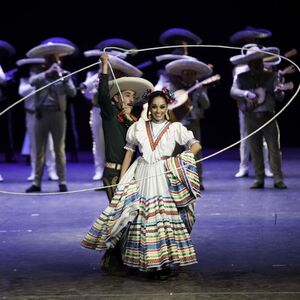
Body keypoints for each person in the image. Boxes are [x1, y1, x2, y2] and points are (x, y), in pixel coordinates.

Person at [81, 87, 201, 279]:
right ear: (149, 107)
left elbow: (195, 144)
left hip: (163, 174)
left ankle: (163, 264)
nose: (158, 111)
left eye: (162, 107)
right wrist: (122, 181)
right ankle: (148, 265)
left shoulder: (174, 128)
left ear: (167, 106)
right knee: (143, 218)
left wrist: (183, 159)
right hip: (143, 173)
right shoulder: (138, 127)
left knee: (163, 220)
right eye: (154, 107)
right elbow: (129, 151)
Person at [80, 38, 139, 181]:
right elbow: (86, 93)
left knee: (118, 141)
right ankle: (99, 169)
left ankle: (123, 169)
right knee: (99, 140)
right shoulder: (92, 75)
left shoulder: (122, 75)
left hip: (116, 112)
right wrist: (100, 73)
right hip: (97, 111)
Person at [230, 46, 287, 189]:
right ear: (249, 63)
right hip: (251, 117)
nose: (257, 64)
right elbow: (233, 91)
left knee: (274, 148)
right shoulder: (242, 77)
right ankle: (259, 178)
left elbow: (280, 97)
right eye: (254, 62)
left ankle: (278, 179)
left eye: (259, 61)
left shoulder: (271, 76)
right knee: (255, 149)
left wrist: (280, 91)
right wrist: (246, 94)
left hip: (268, 116)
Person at [25, 41, 77, 193]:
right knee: (39, 149)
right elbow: (31, 82)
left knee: (59, 149)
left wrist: (64, 78)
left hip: (58, 115)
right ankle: (36, 182)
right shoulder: (40, 74)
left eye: (55, 60)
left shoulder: (65, 74)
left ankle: (62, 181)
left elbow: (72, 93)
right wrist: (47, 74)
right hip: (41, 115)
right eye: (50, 60)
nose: (54, 63)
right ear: (46, 62)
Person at [229, 27, 274, 178]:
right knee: (244, 136)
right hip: (245, 107)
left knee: (265, 139)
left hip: (263, 107)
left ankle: (267, 167)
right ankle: (244, 167)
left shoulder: (266, 68)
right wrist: (246, 94)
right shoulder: (239, 70)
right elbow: (235, 89)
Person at [164, 57, 213, 190]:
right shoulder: (173, 86)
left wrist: (201, 93)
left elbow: (206, 105)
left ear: (196, 75)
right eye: (186, 74)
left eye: (192, 74)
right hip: (176, 123)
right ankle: (175, 181)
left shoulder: (199, 87)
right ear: (182, 74)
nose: (189, 76)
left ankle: (196, 181)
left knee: (194, 152)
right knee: (175, 153)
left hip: (193, 123)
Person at [16, 57, 59, 181]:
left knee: (49, 145)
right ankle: (35, 171)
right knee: (34, 145)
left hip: (47, 114)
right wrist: (34, 84)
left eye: (38, 66)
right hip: (31, 114)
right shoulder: (25, 80)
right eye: (33, 66)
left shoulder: (48, 78)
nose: (36, 68)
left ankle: (52, 171)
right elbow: (22, 92)